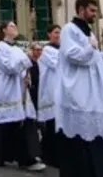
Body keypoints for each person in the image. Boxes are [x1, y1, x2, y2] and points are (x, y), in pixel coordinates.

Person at [56, 0, 103, 177]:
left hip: (95, 89)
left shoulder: (89, 33)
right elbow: (73, 55)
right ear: (81, 10)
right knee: (81, 135)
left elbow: (94, 59)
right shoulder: (69, 29)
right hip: (79, 90)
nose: (95, 15)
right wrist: (90, 48)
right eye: (92, 11)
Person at [0, 22, 43, 171]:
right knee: (5, 124)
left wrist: (26, 75)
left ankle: (27, 157)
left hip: (19, 91)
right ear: (4, 30)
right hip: (6, 92)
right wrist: (27, 59)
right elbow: (10, 67)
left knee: (20, 123)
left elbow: (22, 68)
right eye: (12, 26)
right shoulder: (0, 48)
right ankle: (0, 156)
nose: (15, 27)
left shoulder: (17, 49)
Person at [38, 25, 62, 167]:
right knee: (52, 125)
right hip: (51, 91)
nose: (58, 35)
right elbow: (57, 65)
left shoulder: (62, 49)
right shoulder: (46, 50)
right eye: (56, 32)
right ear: (49, 35)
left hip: (62, 91)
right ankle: (48, 155)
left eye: (60, 33)